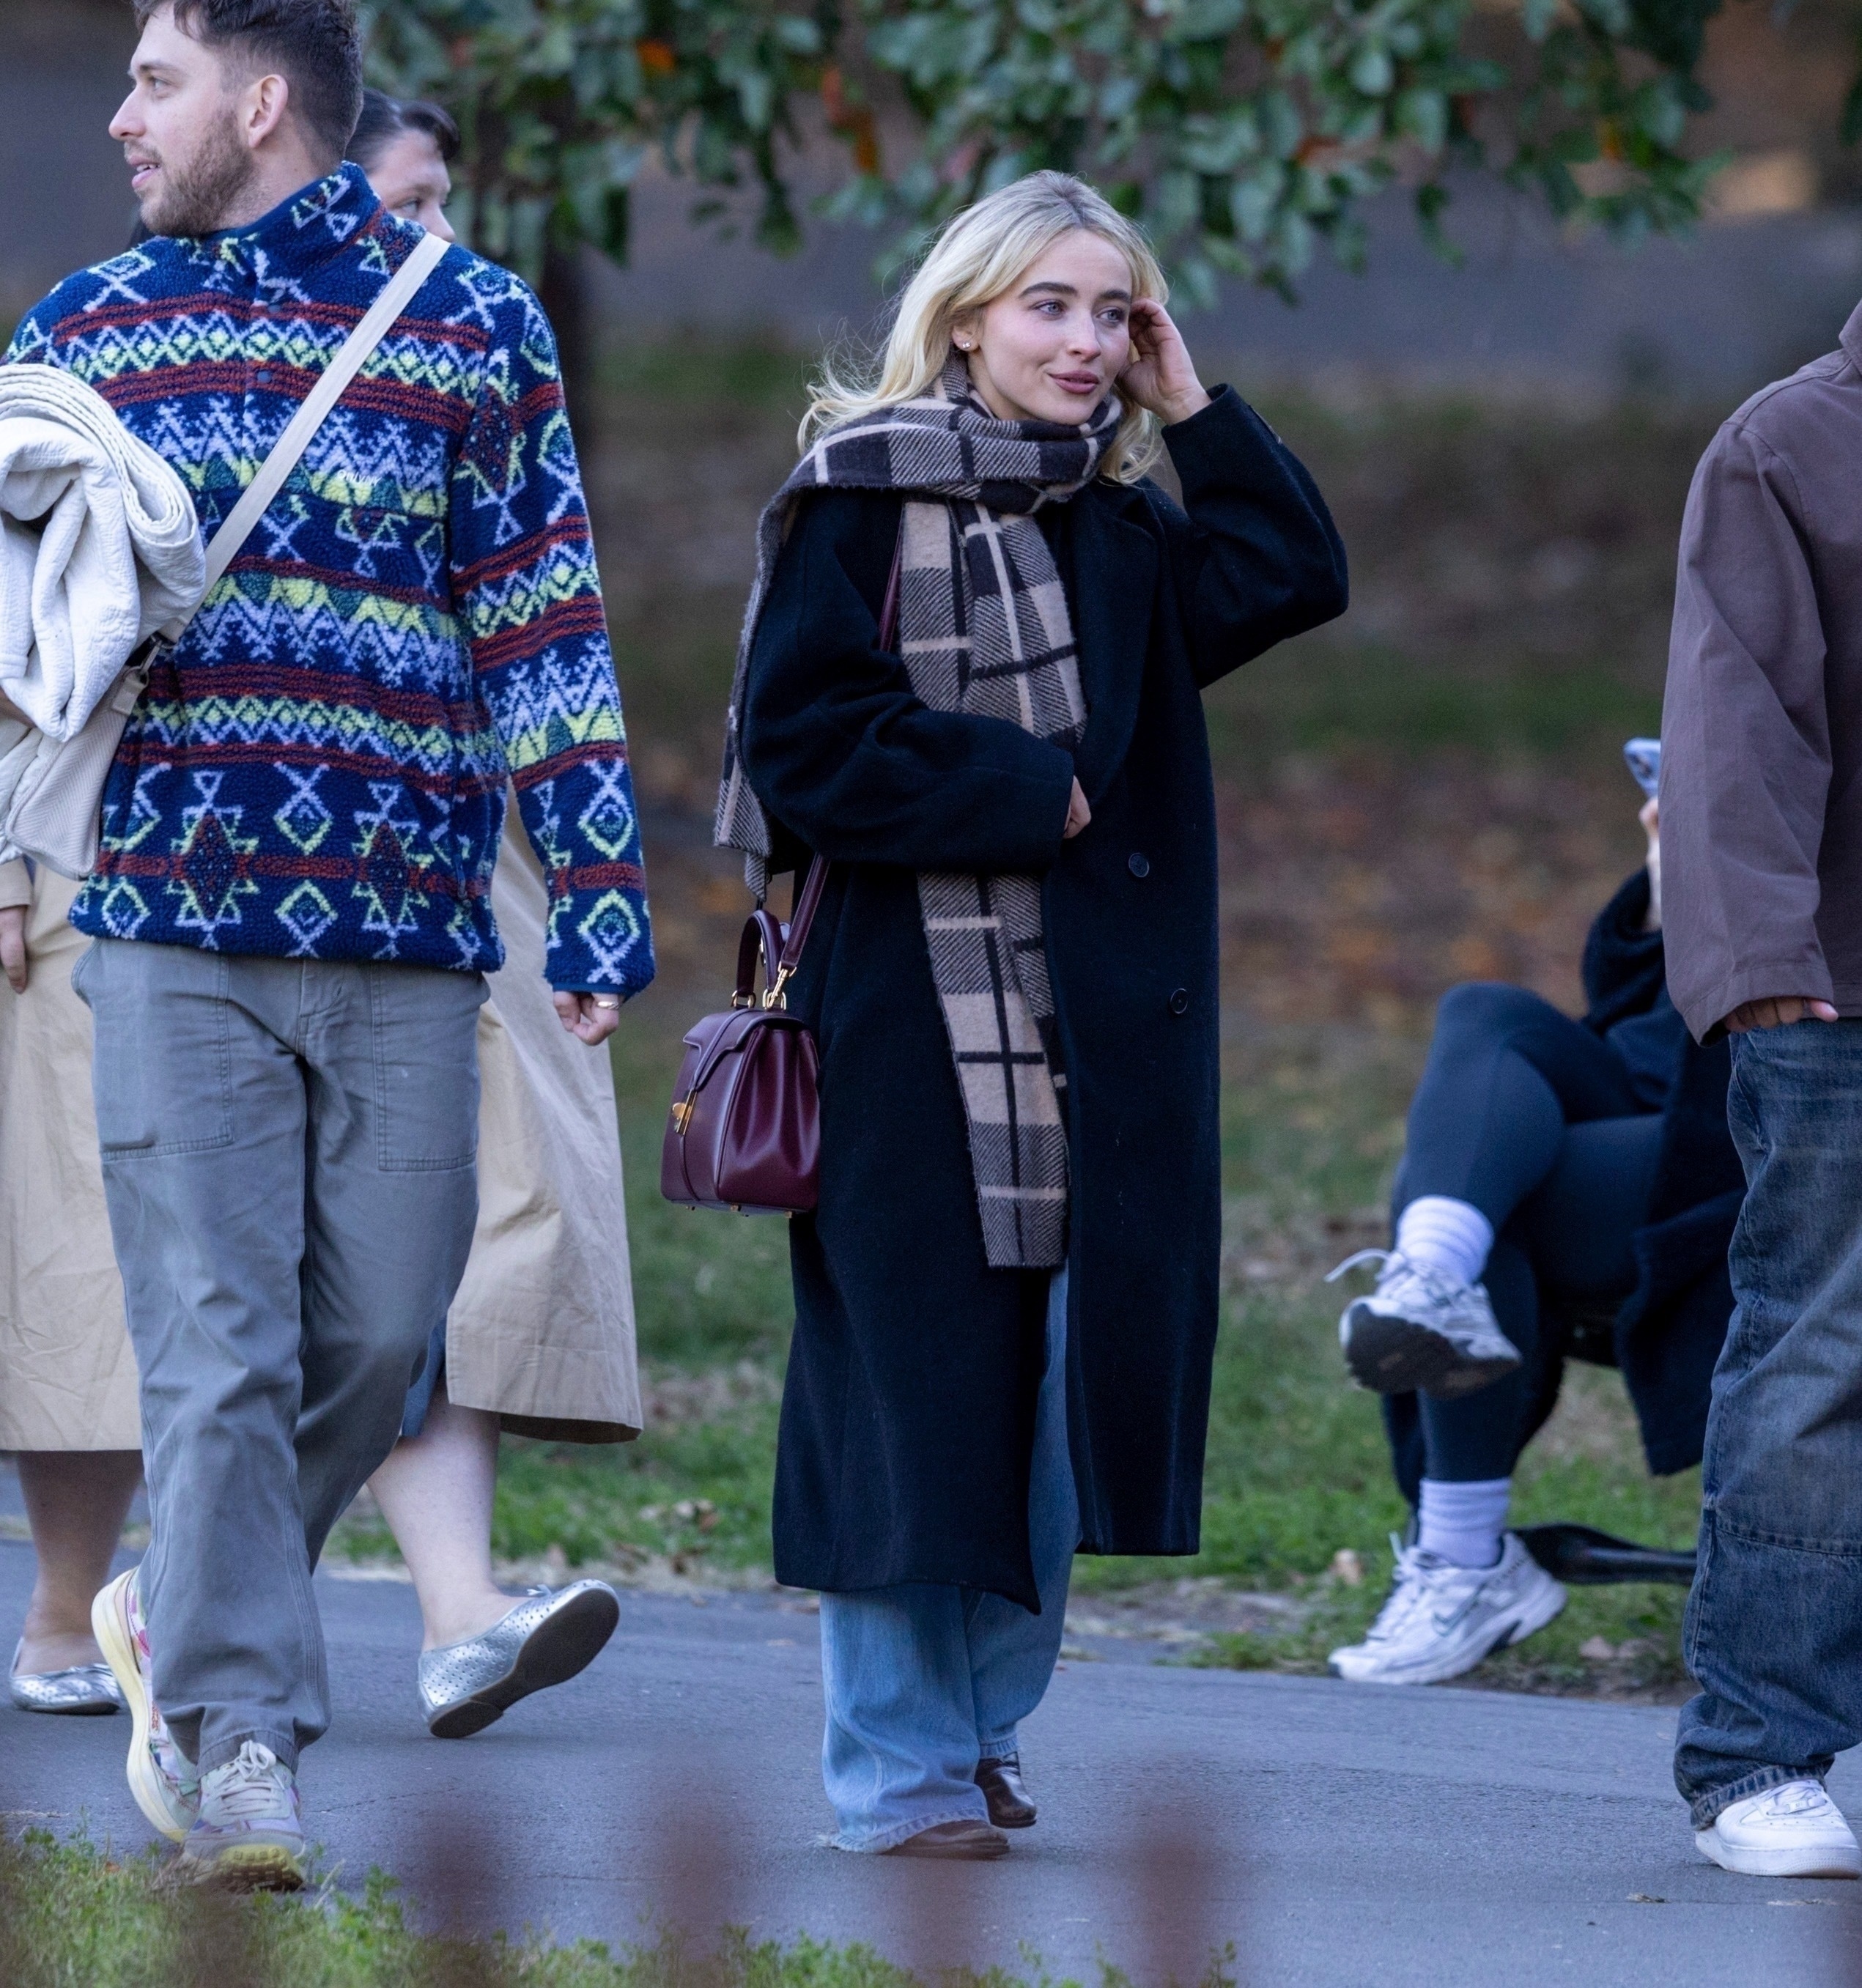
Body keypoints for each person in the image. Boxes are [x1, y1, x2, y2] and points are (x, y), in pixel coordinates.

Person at [5, 0, 651, 1890]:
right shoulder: (81, 333)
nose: (122, 117)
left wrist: (599, 883)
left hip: (412, 923)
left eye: (155, 78)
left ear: (261, 100)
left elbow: (545, 615)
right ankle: (241, 1754)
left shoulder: (475, 321)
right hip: (165, 919)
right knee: (212, 1342)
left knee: (379, 1329)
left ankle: (172, 1601)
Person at [717, 170, 1346, 1857]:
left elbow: (1290, 572)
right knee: (918, 1406)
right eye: (1052, 306)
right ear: (968, 313)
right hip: (908, 1026)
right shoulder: (859, 497)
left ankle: (988, 1723)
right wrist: (1023, 790)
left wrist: (1192, 403)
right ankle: (902, 1767)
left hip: (1096, 1035)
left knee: (1062, 1403)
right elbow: (807, 745)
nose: (1086, 340)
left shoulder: (1120, 524)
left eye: (1115, 311)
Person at [344, 87, 640, 1740]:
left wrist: (594, 887)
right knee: (300, 1283)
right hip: (221, 907)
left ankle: (459, 1619)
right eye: (406, 206)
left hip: (466, 868)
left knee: (457, 1247)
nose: (440, 243)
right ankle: (153, 1610)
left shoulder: (481, 363)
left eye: (447, 202)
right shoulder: (147, 354)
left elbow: (550, 624)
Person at [1326, 783, 1743, 1686]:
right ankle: (1432, 1273)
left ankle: (1466, 1557)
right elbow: (1633, 999)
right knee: (1483, 1011)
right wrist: (1676, 885)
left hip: (1761, 1121)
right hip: (1650, 1087)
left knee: (1479, 1199)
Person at [1659, 297, 1862, 1880]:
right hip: (1833, 995)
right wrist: (1759, 971)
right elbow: (1732, 729)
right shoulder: (1787, 447)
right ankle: (1757, 1754)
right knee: (1817, 1357)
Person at [0, 862, 141, 1716]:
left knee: (93, 1243)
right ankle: (66, 1611)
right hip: (57, 830)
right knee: (65, 1224)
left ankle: (75, 1607)